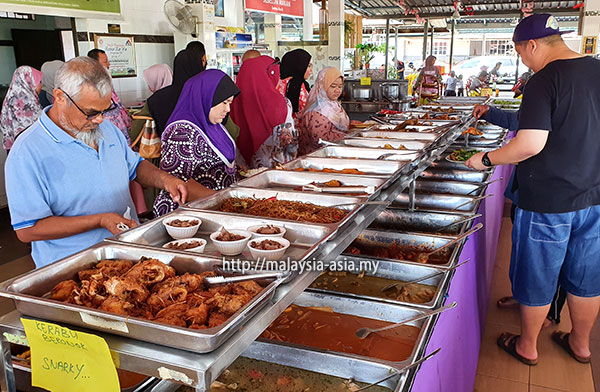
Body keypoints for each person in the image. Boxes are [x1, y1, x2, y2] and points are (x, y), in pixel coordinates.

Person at [465, 14, 600, 366]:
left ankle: (527, 345)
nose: (522, 59)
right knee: (586, 277)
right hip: (594, 197)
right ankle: (580, 344)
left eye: (520, 52)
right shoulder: (597, 70)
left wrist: (486, 159)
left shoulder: (544, 80)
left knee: (538, 273)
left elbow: (529, 144)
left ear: (533, 45)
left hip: (548, 201)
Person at [4, 57, 188, 268]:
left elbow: (135, 166)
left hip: (127, 255)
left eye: (104, 110)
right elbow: (28, 229)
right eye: (91, 112)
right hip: (75, 269)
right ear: (59, 97)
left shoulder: (107, 130)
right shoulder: (27, 151)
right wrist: (99, 220)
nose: (100, 119)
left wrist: (166, 180)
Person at [153, 69, 238, 217]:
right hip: (185, 216)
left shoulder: (214, 125)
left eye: (230, 102)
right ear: (206, 98)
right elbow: (179, 182)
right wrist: (226, 202)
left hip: (215, 209)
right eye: (224, 103)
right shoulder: (181, 132)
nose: (228, 109)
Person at [232, 55, 296, 169]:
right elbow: (289, 145)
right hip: (278, 171)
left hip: (246, 172)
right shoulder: (282, 104)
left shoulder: (231, 105)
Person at [147, 41, 207, 136]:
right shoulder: (208, 95)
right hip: (204, 149)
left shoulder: (155, 99)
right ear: (200, 65)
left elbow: (135, 133)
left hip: (166, 149)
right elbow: (233, 131)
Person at [299, 67, 349, 156]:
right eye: (333, 86)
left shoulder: (334, 105)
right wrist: (348, 137)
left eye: (340, 86)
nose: (337, 90)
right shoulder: (317, 111)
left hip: (333, 155)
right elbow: (320, 140)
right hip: (315, 159)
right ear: (322, 85)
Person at [88, 48, 132, 142]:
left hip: (120, 130)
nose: (108, 65)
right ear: (95, 64)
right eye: (105, 61)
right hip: (107, 131)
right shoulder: (91, 86)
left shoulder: (107, 83)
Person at [1, 66, 43, 151]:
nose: (41, 86)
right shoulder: (27, 104)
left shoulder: (9, 99)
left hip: (13, 149)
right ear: (29, 82)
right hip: (27, 150)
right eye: (39, 82)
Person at [277, 49, 312, 116]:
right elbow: (306, 111)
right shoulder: (300, 85)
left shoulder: (277, 82)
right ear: (299, 66)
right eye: (308, 66)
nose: (311, 71)